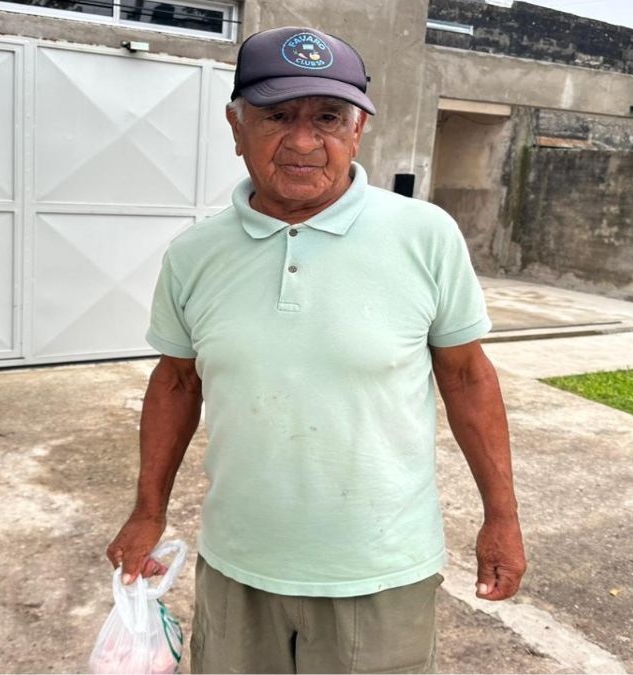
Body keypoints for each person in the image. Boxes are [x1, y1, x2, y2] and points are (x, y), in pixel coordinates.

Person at [106, 25, 526, 674]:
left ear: (358, 130)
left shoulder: (425, 236)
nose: (304, 140)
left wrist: (502, 516)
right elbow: (176, 384)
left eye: (328, 117)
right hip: (238, 567)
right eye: (278, 116)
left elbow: (469, 378)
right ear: (236, 126)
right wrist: (147, 509)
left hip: (381, 574)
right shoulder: (194, 255)